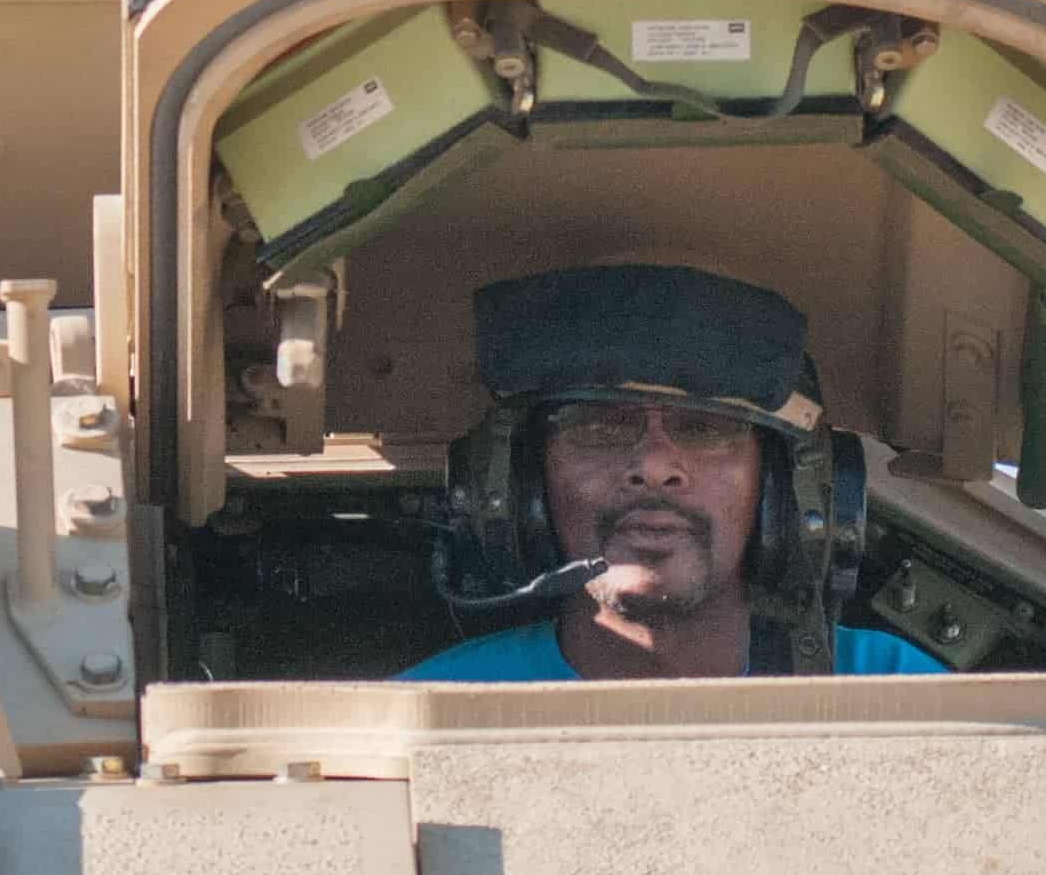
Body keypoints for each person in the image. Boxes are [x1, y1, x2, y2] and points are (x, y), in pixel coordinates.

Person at [401, 263, 947, 683]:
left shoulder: (909, 705)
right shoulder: (430, 716)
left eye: (705, 428)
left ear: (780, 489)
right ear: (518, 488)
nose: (654, 466)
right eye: (599, 426)